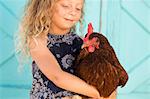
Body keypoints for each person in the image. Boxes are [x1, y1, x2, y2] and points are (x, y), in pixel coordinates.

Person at [15, 0, 102, 98]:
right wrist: (97, 94)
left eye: (78, 8)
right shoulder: (38, 41)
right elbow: (57, 76)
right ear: (47, 7)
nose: (73, 12)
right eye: (65, 6)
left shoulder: (80, 43)